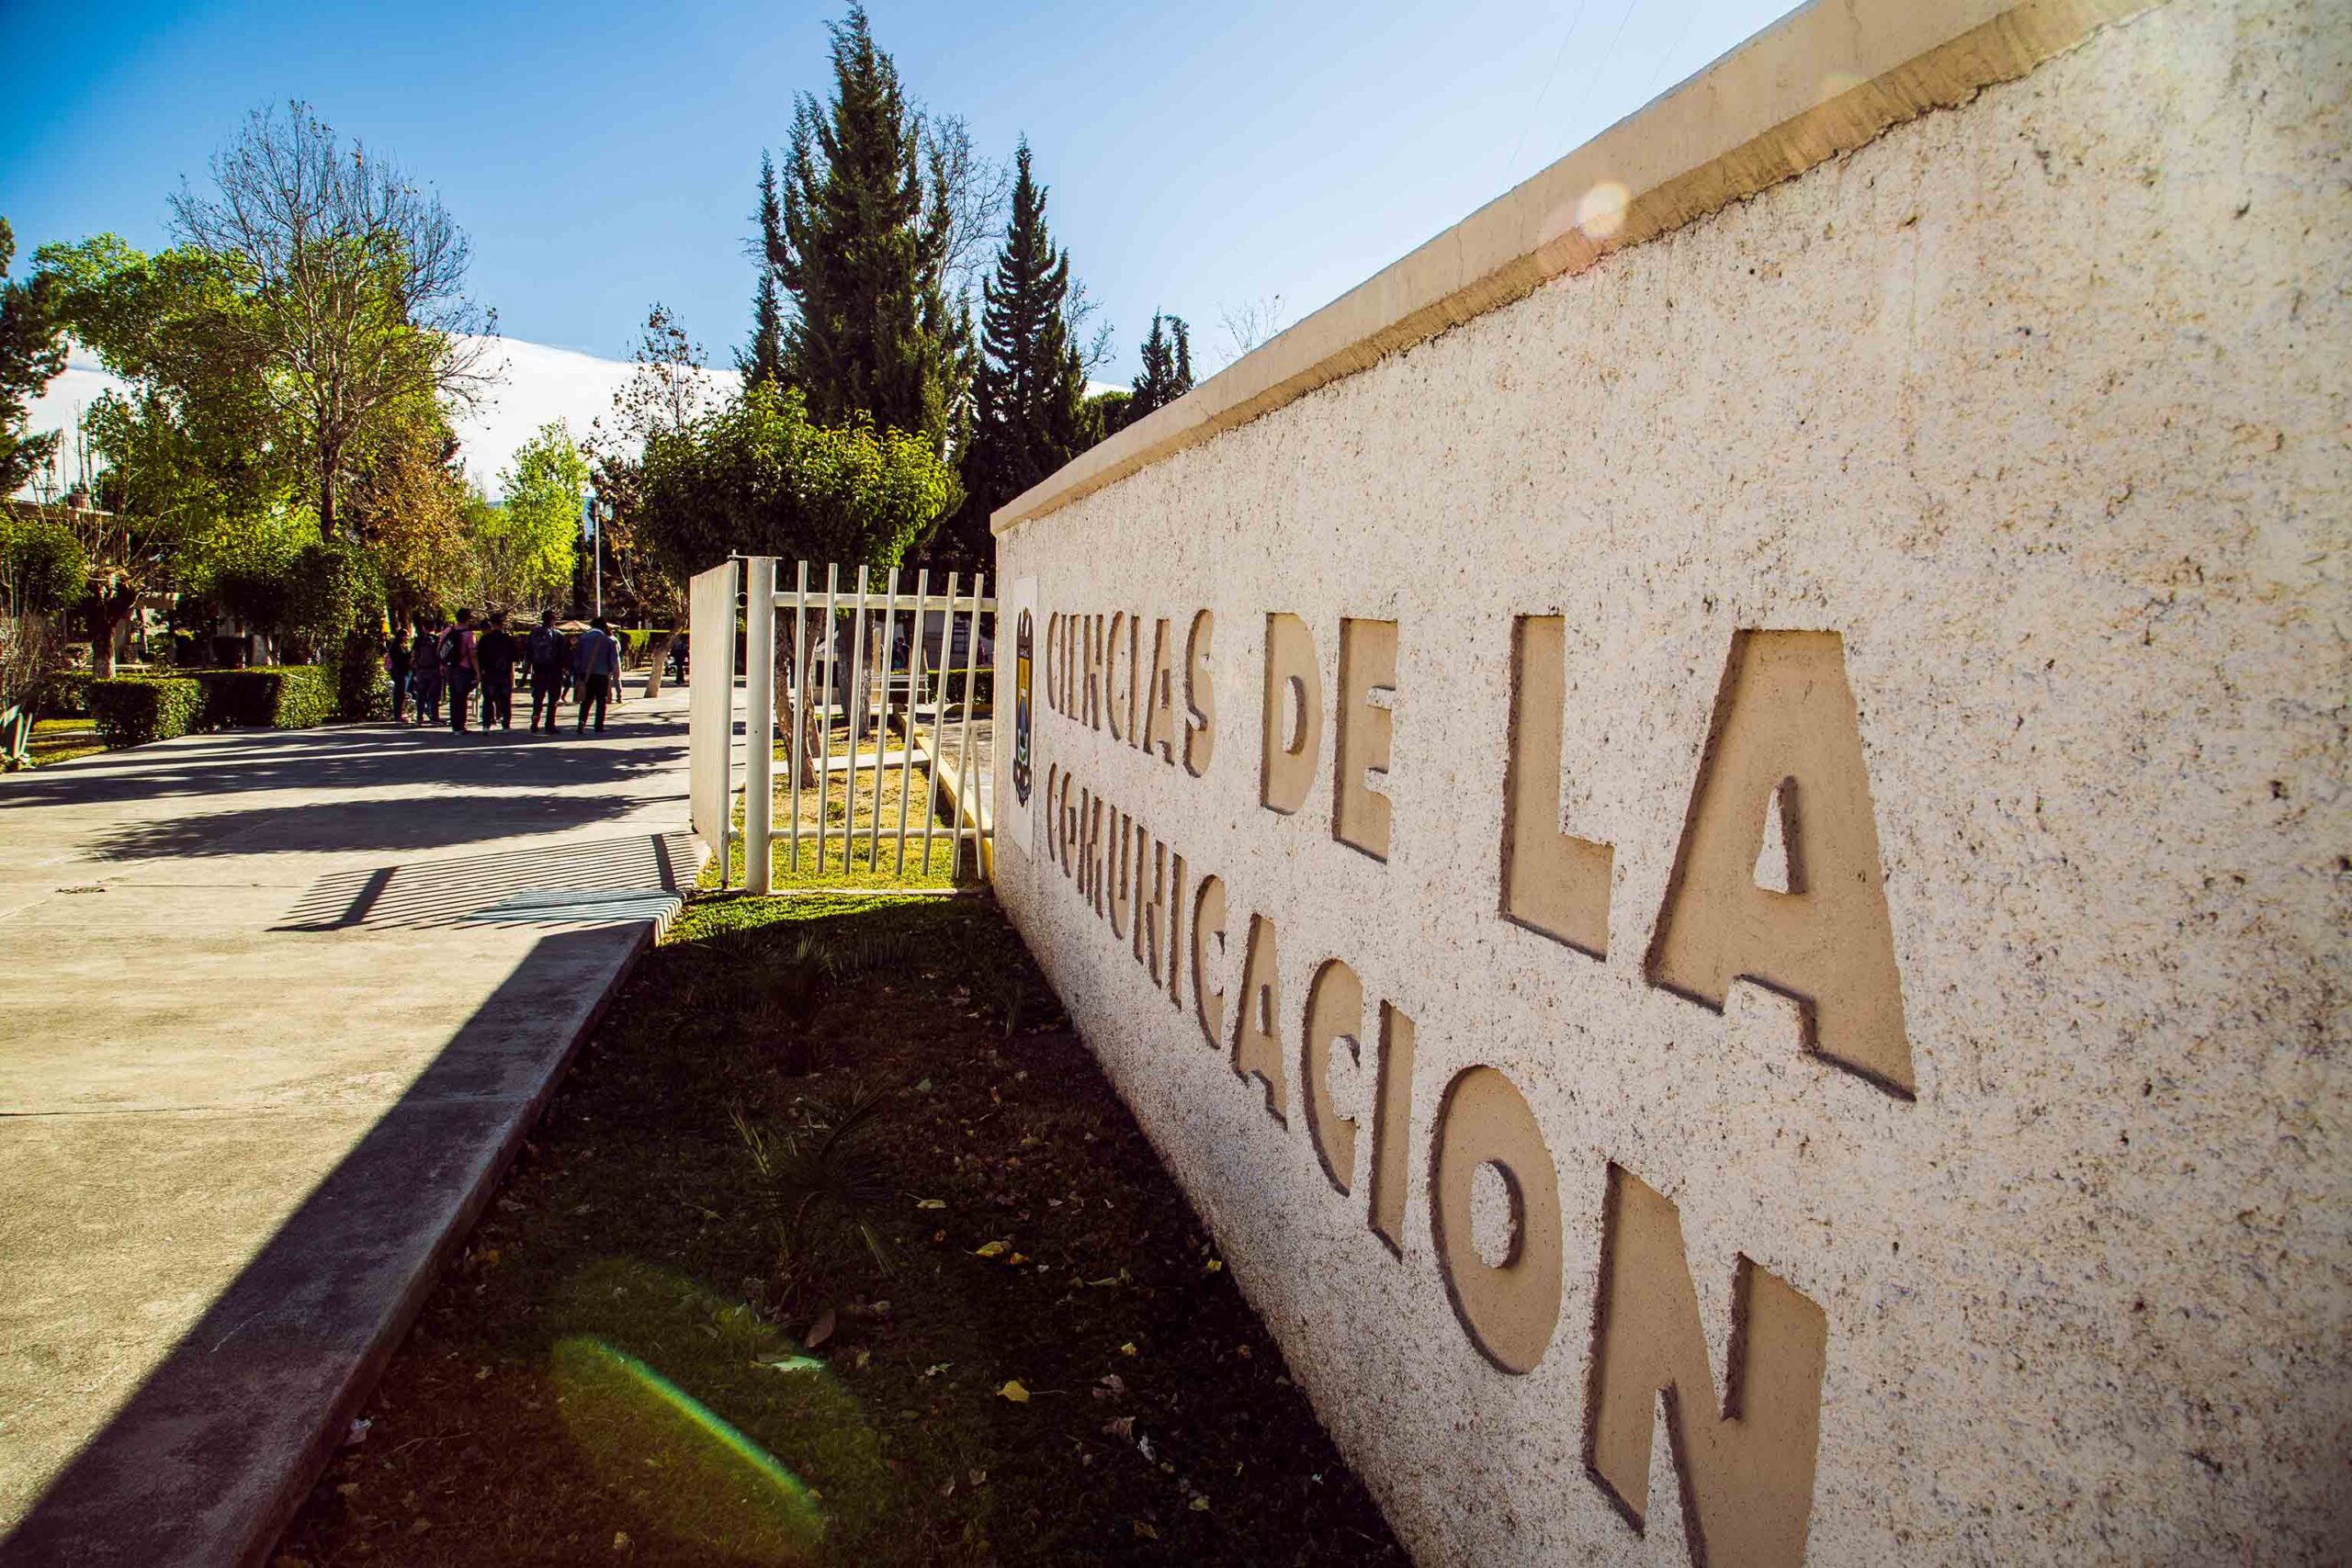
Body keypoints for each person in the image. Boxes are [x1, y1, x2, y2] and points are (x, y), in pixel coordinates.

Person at [573, 615, 620, 735]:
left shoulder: (583, 638)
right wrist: (609, 671)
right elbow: (613, 661)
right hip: (601, 675)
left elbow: (577, 658)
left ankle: (582, 721)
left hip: (586, 675)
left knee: (586, 700)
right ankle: (599, 725)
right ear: (604, 627)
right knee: (601, 701)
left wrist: (579, 673)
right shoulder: (608, 641)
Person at [476, 611, 518, 731]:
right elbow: (515, 656)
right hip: (504, 673)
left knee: (488, 699)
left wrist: (481, 670)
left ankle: (486, 724)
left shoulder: (485, 639)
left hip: (489, 673)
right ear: (503, 624)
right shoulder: (508, 639)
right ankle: (506, 725)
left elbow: (480, 657)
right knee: (505, 700)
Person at [526, 610, 565, 732]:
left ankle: (535, 717)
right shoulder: (557, 634)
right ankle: (550, 724)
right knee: (553, 698)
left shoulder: (533, 633)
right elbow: (562, 654)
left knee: (538, 697)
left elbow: (529, 652)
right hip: (554, 670)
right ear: (553, 620)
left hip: (538, 669)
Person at [443, 609, 479, 734]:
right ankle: (461, 725)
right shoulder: (469, 635)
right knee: (462, 697)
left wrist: (443, 665)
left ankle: (455, 725)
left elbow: (440, 649)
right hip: (463, 668)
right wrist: (478, 671)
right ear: (468, 619)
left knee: (453, 696)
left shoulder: (447, 631)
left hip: (449, 667)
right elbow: (473, 654)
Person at [410, 617, 444, 725]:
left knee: (421, 694)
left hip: (421, 670)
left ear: (423, 628)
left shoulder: (419, 639)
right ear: (434, 627)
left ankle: (419, 717)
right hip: (434, 670)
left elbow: (413, 654)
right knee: (434, 695)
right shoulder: (437, 639)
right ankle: (434, 716)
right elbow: (441, 654)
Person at [384, 624, 413, 725]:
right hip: (399, 671)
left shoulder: (402, 645)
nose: (408, 638)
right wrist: (410, 654)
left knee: (401, 693)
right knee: (399, 694)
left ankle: (399, 714)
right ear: (401, 636)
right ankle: (397, 715)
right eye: (406, 636)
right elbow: (400, 658)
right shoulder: (396, 646)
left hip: (403, 671)